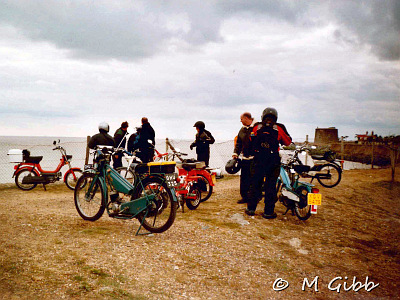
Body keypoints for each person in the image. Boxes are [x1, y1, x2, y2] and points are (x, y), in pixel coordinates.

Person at [245, 107, 292, 219]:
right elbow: (287, 142)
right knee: (270, 186)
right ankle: (268, 212)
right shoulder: (279, 128)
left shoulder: (257, 126)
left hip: (258, 159)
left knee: (255, 184)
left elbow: (250, 140)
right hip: (272, 160)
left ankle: (251, 209)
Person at [233, 112, 256, 204]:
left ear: (246, 118)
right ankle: (245, 197)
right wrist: (235, 153)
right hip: (245, 158)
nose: (240, 121)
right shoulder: (242, 130)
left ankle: (253, 198)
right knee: (244, 178)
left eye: (241, 119)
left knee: (253, 179)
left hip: (255, 158)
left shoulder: (256, 128)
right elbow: (239, 143)